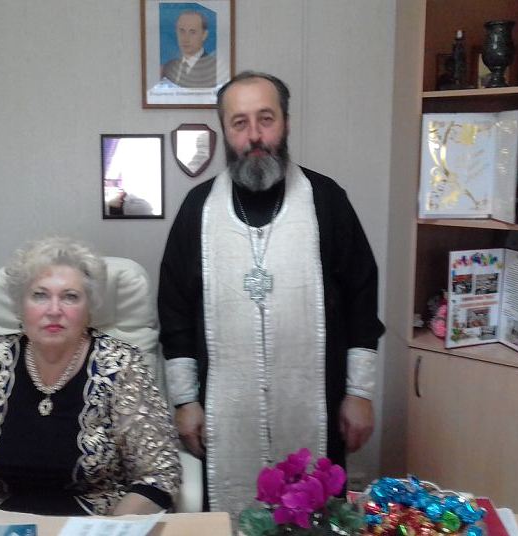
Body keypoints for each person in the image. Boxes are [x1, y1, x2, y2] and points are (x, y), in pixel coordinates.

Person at [157, 71, 385, 516]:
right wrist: (185, 402)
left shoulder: (326, 200)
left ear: (286, 122)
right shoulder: (198, 209)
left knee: (316, 518)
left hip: (316, 406)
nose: (255, 136)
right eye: (239, 123)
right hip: (225, 414)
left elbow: (362, 297)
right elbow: (175, 312)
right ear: (225, 131)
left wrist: (360, 393)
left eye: (266, 119)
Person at [0, 237, 181, 531]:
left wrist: (112, 530)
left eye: (70, 297)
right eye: (40, 295)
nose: (54, 310)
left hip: (90, 527)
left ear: (89, 308)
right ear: (20, 306)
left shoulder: (121, 365)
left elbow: (159, 471)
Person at [161, 10, 217, 88]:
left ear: (204, 35)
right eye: (182, 31)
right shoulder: (168, 68)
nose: (186, 39)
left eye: (192, 32)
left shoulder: (215, 68)